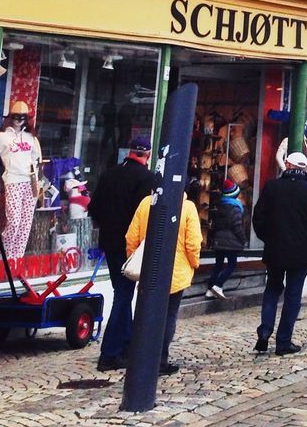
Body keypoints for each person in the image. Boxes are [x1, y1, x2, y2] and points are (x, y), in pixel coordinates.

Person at [88, 134, 156, 371]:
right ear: (146, 155)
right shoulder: (146, 178)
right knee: (124, 296)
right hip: (130, 246)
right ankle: (110, 352)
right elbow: (144, 215)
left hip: (109, 243)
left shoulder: (109, 174)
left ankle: (126, 345)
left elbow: (93, 208)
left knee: (122, 292)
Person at [251, 152, 307, 357]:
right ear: (304, 168)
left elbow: (258, 217)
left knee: (272, 289)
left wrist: (268, 237)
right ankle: (283, 341)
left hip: (275, 249)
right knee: (293, 295)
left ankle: (265, 331)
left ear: (286, 165)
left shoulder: (272, 187)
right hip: (301, 252)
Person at [125, 184, 201, 375]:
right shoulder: (187, 207)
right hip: (176, 272)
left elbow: (131, 237)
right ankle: (160, 359)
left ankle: (141, 355)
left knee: (146, 313)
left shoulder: (146, 203)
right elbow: (193, 243)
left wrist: (135, 258)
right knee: (168, 316)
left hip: (149, 269)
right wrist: (194, 263)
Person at [0, 101, 43, 263]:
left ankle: (15, 261)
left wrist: (36, 185)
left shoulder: (31, 138)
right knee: (14, 222)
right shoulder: (3, 137)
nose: (18, 120)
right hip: (13, 181)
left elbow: (35, 160)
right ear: (10, 117)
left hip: (30, 182)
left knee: (25, 225)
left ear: (26, 119)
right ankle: (2, 258)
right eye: (15, 117)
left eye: (22, 117)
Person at [204, 178, 245, 300]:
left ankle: (210, 289)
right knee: (231, 265)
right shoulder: (235, 208)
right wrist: (243, 239)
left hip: (219, 241)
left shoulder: (219, 207)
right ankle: (218, 285)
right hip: (231, 242)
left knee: (218, 265)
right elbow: (237, 226)